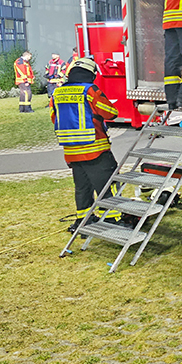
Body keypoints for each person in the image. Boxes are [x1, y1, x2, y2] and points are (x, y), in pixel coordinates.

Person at [50, 56, 123, 233]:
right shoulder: (90, 90)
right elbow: (110, 113)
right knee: (106, 185)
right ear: (91, 74)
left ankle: (84, 221)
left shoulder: (57, 93)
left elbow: (54, 117)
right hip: (95, 150)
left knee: (82, 187)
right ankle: (112, 219)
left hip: (71, 152)